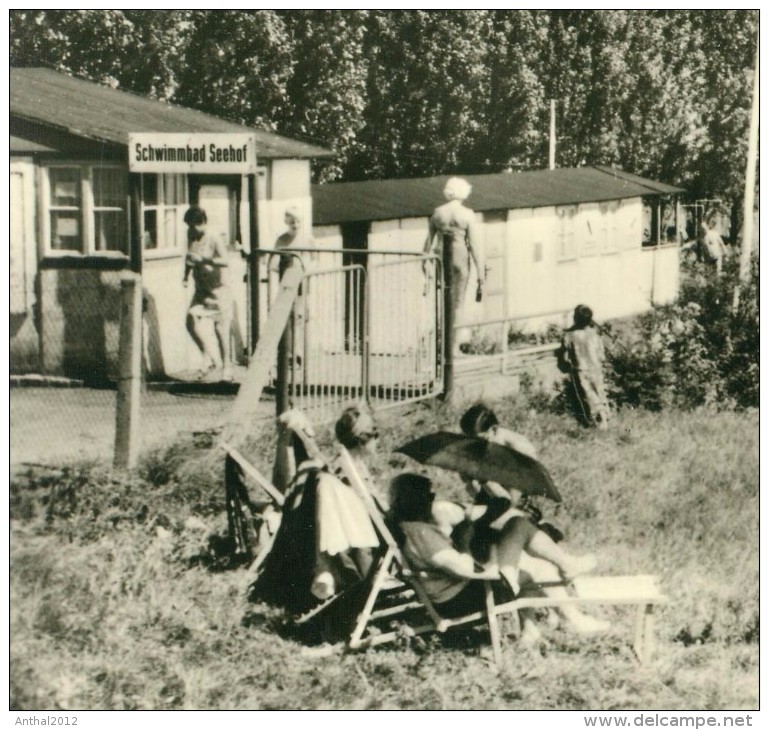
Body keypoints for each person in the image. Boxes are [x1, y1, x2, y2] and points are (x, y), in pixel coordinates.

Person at [389, 473, 606, 634]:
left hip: (462, 592)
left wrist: (466, 531)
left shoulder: (413, 528)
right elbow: (462, 569)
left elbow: (498, 506)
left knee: (537, 565)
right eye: (429, 496)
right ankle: (570, 588)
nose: (432, 500)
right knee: (518, 525)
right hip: (463, 599)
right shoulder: (420, 533)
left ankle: (535, 629)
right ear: (415, 501)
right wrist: (469, 545)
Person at [424, 178, 484, 350]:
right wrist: (480, 271)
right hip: (459, 258)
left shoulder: (438, 212)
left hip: (440, 257)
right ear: (464, 192)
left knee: (442, 299)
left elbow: (428, 242)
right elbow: (474, 245)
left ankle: (441, 342)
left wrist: (425, 266)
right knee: (457, 303)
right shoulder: (467, 214)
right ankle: (453, 346)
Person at [183, 205, 233, 382]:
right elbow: (189, 257)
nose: (191, 229)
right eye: (189, 226)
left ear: (202, 222)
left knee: (221, 330)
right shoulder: (191, 235)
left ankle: (227, 368)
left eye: (193, 225)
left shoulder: (214, 237)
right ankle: (208, 356)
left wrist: (204, 259)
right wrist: (185, 276)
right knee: (190, 320)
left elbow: (225, 261)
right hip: (201, 288)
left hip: (218, 290)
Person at [559, 305, 611, 429]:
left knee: (588, 397)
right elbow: (602, 356)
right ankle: (605, 417)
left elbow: (565, 358)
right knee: (599, 392)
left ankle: (598, 421)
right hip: (596, 368)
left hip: (580, 370)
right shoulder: (595, 334)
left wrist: (565, 364)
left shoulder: (568, 336)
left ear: (575, 318)